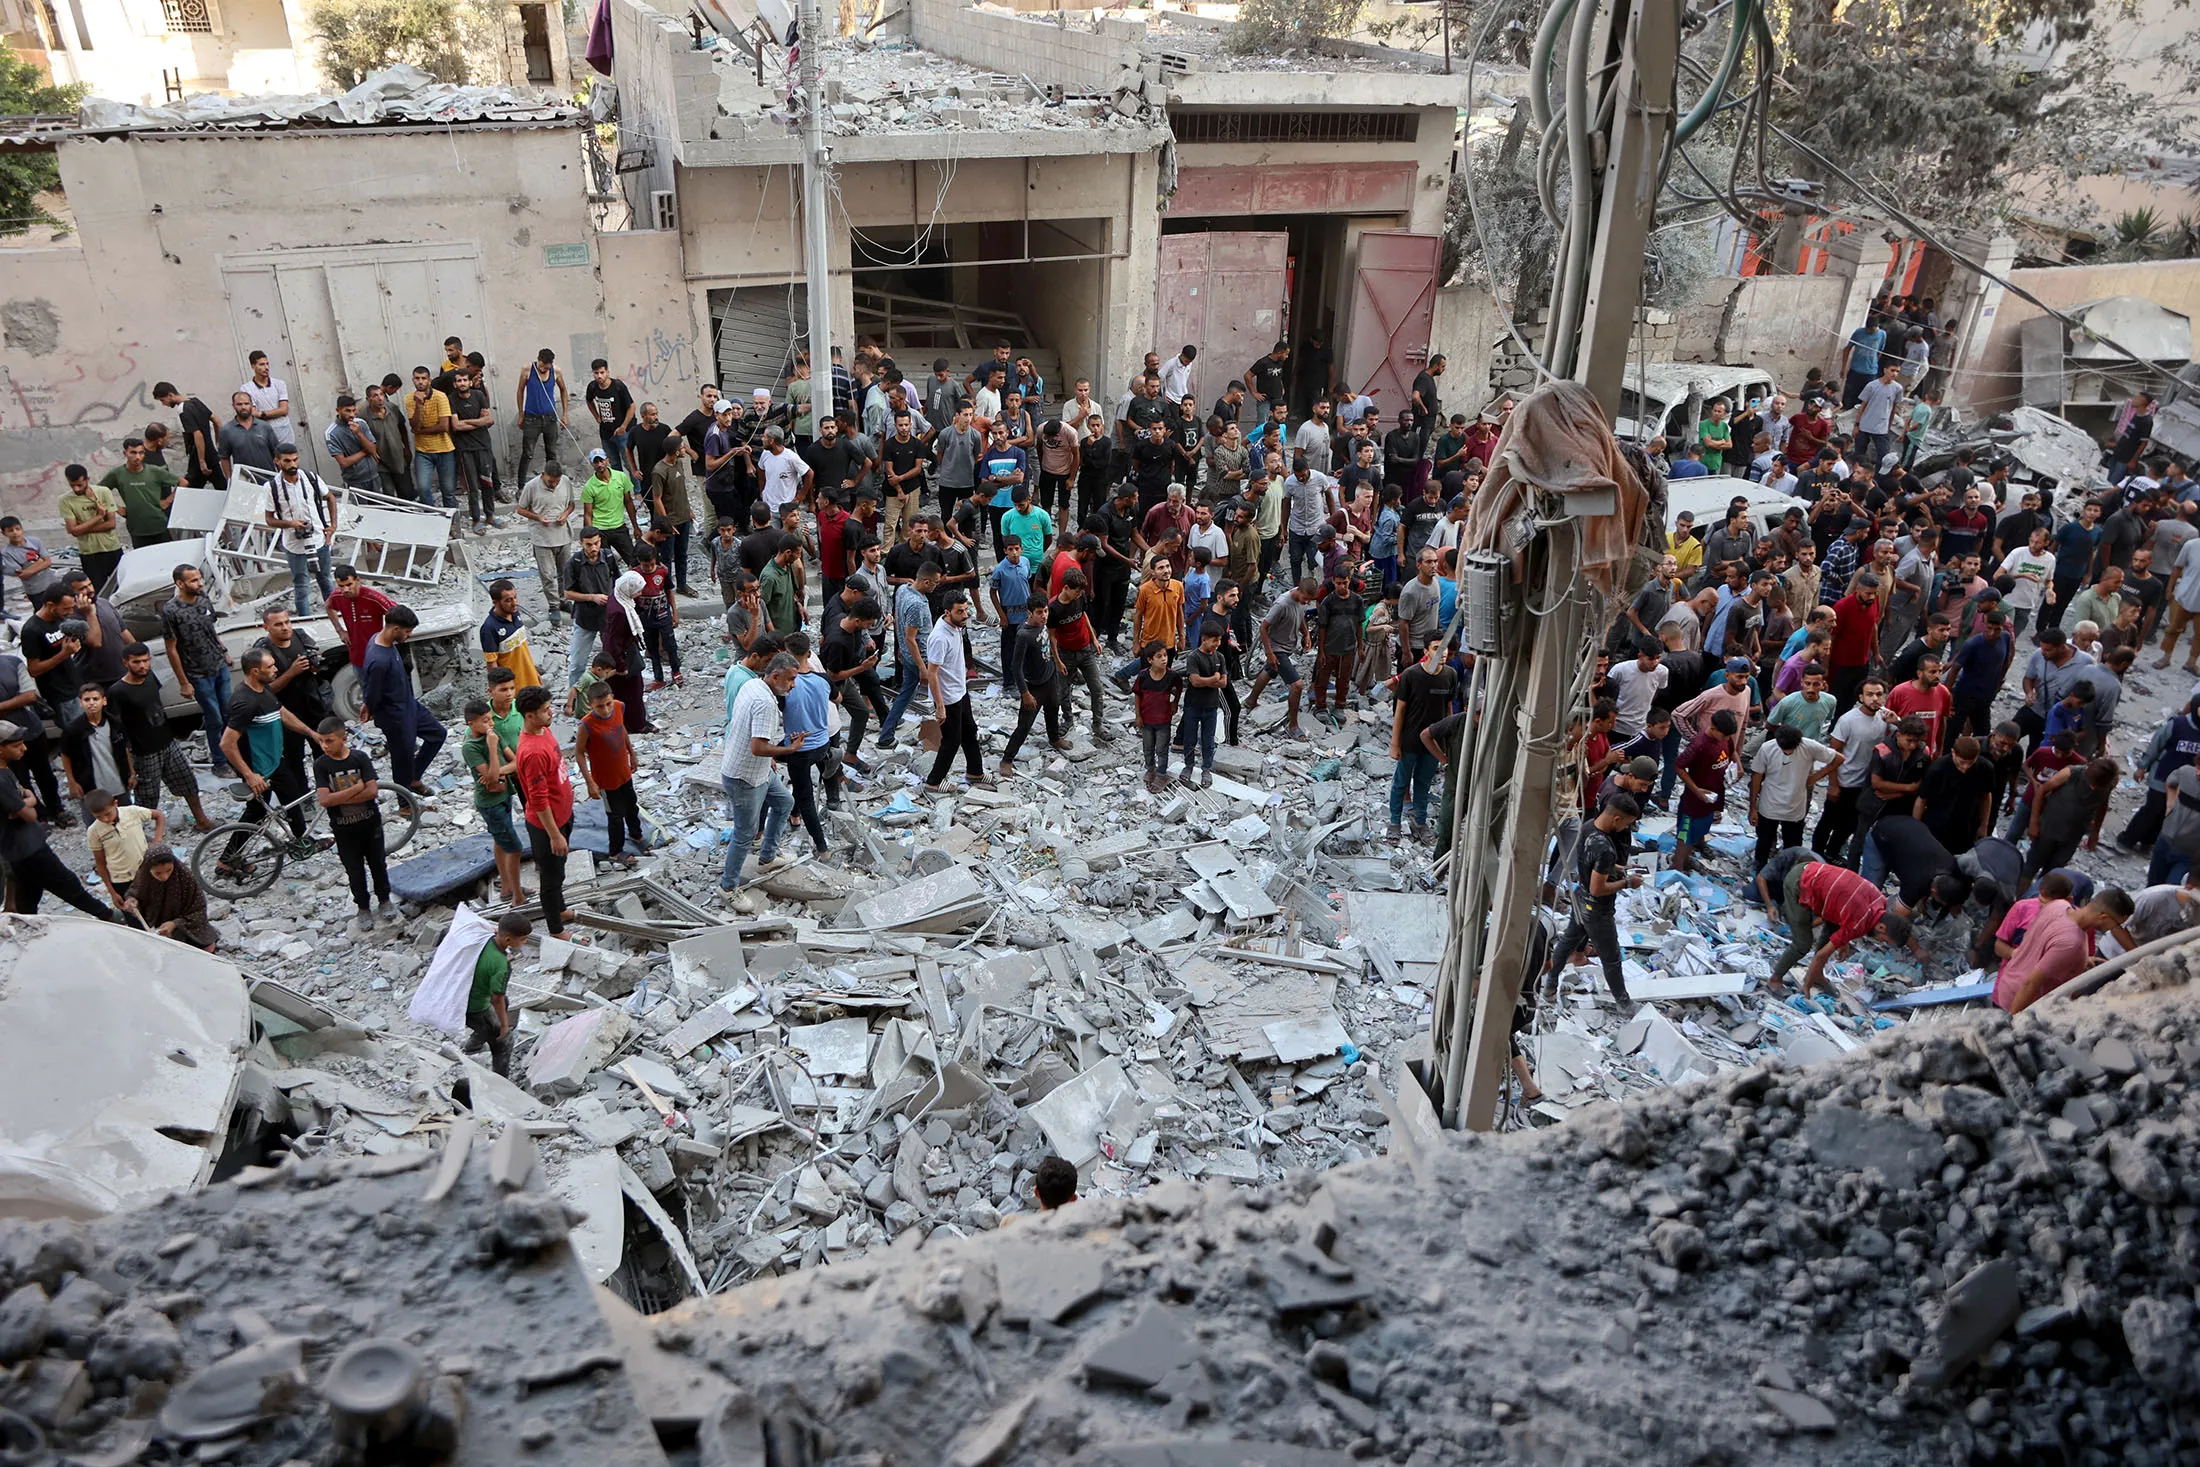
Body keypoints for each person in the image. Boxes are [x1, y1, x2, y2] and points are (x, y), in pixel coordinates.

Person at [218, 647, 320, 871]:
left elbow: (283, 713)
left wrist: (312, 734)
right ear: (255, 671)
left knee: (292, 799)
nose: (276, 669)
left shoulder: (263, 690)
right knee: (256, 811)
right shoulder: (245, 702)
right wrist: (250, 775)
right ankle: (226, 860)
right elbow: (226, 743)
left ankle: (301, 841)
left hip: (274, 761)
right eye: (270, 667)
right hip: (259, 768)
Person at [1544, 791, 1645, 1004]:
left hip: (1580, 899)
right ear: (1617, 818)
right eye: (1626, 824)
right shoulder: (1605, 848)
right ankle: (1624, 1003)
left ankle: (1550, 985)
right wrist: (1628, 882)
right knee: (1612, 958)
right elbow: (1597, 888)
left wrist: (1619, 868)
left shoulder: (1589, 825)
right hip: (1597, 910)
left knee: (1567, 942)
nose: (1626, 828)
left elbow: (1592, 863)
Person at [1770, 856, 1912, 997]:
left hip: (1816, 872)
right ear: (1881, 927)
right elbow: (1821, 955)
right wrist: (1806, 987)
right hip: (1799, 881)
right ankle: (1775, 979)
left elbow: (1847, 913)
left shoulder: (1879, 901)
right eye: (1884, 940)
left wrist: (1844, 941)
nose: (1881, 942)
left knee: (1830, 936)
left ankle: (1816, 974)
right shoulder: (1859, 923)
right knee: (1802, 943)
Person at [722, 652, 802, 891]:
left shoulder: (753, 684)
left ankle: (767, 858)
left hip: (758, 770)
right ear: (775, 675)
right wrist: (789, 749)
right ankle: (728, 887)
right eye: (790, 680)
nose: (793, 685)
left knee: (784, 803)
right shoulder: (766, 703)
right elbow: (758, 747)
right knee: (744, 834)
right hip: (745, 776)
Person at [309, 714, 395, 931]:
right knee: (354, 870)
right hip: (343, 828)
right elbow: (325, 800)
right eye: (321, 741)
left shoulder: (360, 758)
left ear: (343, 738)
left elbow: (372, 791)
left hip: (370, 823)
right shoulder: (321, 765)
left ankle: (384, 899)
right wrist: (356, 789)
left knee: (377, 863)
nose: (324, 746)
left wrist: (344, 795)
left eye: (329, 740)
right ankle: (363, 907)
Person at [1993, 885, 2130, 1014]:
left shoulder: (2058, 905)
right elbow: (2031, 983)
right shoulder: (2071, 943)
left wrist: (2080, 961)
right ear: (2103, 917)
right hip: (2024, 1000)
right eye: (2117, 924)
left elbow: (2042, 946)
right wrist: (2014, 1019)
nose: (2115, 928)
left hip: (2009, 982)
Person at [358, 605, 446, 797]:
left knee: (438, 734)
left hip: (408, 704)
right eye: (407, 631)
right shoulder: (379, 659)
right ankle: (405, 804)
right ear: (395, 628)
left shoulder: (383, 641)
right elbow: (372, 690)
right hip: (394, 715)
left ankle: (414, 778)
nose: (409, 635)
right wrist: (369, 706)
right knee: (402, 758)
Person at [159, 564, 232, 767]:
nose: (199, 583)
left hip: (219, 665)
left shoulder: (203, 599)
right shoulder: (171, 611)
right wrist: (184, 682)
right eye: (193, 580)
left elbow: (211, 631)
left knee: (228, 713)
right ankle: (220, 761)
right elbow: (171, 648)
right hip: (198, 673)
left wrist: (224, 651)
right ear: (180, 584)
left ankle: (235, 755)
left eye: (199, 579)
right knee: (214, 718)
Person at [1749, 722, 1837, 871]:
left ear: (1798, 743)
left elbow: (1838, 758)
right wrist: (1753, 808)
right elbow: (1757, 777)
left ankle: (1788, 873)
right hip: (1769, 804)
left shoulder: (1809, 746)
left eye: (1791, 750)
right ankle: (1760, 869)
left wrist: (1815, 777)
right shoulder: (1767, 748)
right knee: (1764, 841)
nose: (1787, 753)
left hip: (1795, 807)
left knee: (1793, 845)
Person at [577, 679, 644, 867]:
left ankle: (636, 834)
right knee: (615, 816)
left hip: (623, 771)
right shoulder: (586, 725)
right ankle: (615, 851)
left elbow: (621, 729)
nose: (606, 710)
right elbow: (579, 753)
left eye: (607, 704)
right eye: (599, 707)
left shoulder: (618, 707)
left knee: (632, 804)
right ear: (590, 705)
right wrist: (590, 782)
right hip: (605, 779)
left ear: (612, 698)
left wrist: (632, 753)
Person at [463, 912, 535, 1078]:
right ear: (508, 940)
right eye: (523, 939)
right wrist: (504, 1026)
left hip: (465, 996)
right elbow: (497, 999)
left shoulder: (487, 940)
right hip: (476, 1008)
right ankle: (501, 1080)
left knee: (506, 1003)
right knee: (504, 1043)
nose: (525, 942)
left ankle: (475, 1042)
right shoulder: (501, 964)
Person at [1671, 707, 1738, 872]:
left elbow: (1732, 750)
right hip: (1694, 800)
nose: (1727, 738)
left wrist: (1739, 765)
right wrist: (1696, 790)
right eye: (1725, 735)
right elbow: (1678, 766)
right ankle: (1678, 866)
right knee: (1685, 834)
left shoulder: (1725, 737)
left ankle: (1689, 858)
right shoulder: (1700, 744)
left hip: (1713, 795)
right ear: (1713, 728)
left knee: (1700, 829)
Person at [518, 464, 578, 632]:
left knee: (565, 571)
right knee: (547, 574)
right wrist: (537, 517)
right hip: (542, 538)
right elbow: (520, 509)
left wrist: (565, 515)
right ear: (543, 474)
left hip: (563, 535)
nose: (554, 484)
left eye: (556, 482)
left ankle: (564, 599)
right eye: (551, 481)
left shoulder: (565, 482)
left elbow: (571, 504)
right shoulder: (531, 486)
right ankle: (553, 606)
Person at [85, 788, 160, 913]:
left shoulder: (132, 812)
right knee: (134, 916)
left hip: (145, 871)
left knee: (157, 907)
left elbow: (159, 815)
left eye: (108, 813)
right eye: (98, 817)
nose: (105, 819)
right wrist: (112, 892)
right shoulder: (94, 831)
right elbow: (100, 864)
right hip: (121, 880)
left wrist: (157, 839)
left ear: (115, 803)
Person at [123, 845, 213, 948]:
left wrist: (175, 924)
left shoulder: (185, 877)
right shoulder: (144, 878)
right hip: (159, 926)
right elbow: (135, 893)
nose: (164, 877)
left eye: (169, 870)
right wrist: (132, 902)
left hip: (185, 925)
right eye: (158, 873)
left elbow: (198, 909)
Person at [58, 465, 126, 593]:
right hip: (89, 552)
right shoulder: (65, 500)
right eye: (72, 485)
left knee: (120, 587)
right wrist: (99, 516)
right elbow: (74, 531)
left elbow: (111, 524)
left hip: (111, 548)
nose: (76, 489)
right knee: (97, 590)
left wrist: (82, 527)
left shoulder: (103, 492)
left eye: (79, 484)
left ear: (87, 479)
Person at [1131, 641, 1183, 794]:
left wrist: (1175, 702)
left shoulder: (1172, 675)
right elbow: (1137, 696)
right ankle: (1150, 769)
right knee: (1148, 747)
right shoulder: (1143, 676)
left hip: (1163, 720)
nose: (1164, 659)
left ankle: (1161, 774)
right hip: (1147, 719)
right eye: (1159, 656)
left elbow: (1179, 688)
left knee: (1161, 748)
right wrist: (1138, 715)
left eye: (1165, 655)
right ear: (1150, 660)